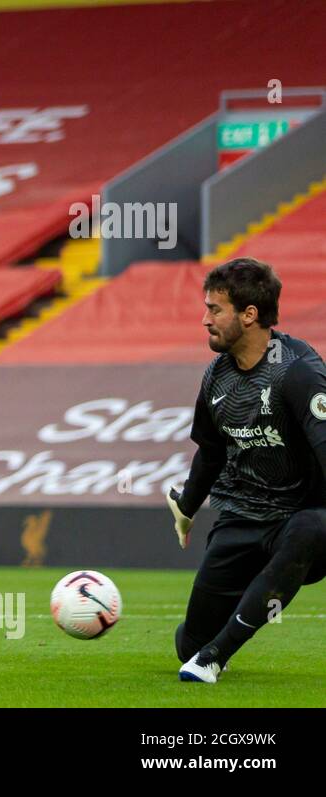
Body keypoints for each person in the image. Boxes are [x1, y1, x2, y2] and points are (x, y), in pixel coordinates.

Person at [168, 258, 326, 683]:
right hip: (243, 518)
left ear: (249, 315)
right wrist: (186, 506)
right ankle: (203, 650)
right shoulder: (216, 377)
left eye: (215, 310)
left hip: (301, 517)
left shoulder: (297, 371)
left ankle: (215, 658)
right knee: (188, 644)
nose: (205, 320)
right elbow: (211, 454)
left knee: (313, 527)